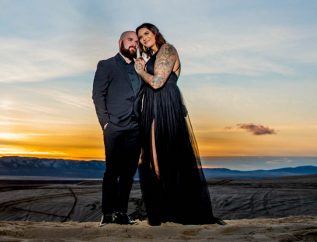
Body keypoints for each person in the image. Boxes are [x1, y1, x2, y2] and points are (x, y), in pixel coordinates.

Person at [133, 23, 222, 226]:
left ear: (155, 33)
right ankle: (168, 211)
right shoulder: (154, 56)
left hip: (165, 105)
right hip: (154, 106)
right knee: (155, 162)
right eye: (140, 37)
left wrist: (140, 71)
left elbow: (157, 83)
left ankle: (181, 212)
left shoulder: (167, 49)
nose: (143, 38)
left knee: (168, 161)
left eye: (146, 33)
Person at [92, 31, 142, 226]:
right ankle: (107, 214)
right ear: (120, 42)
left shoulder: (139, 67)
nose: (133, 45)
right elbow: (98, 95)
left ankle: (121, 213)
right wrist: (105, 123)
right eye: (130, 40)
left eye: (136, 42)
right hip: (114, 126)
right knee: (112, 171)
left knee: (129, 172)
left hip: (136, 127)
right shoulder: (106, 65)